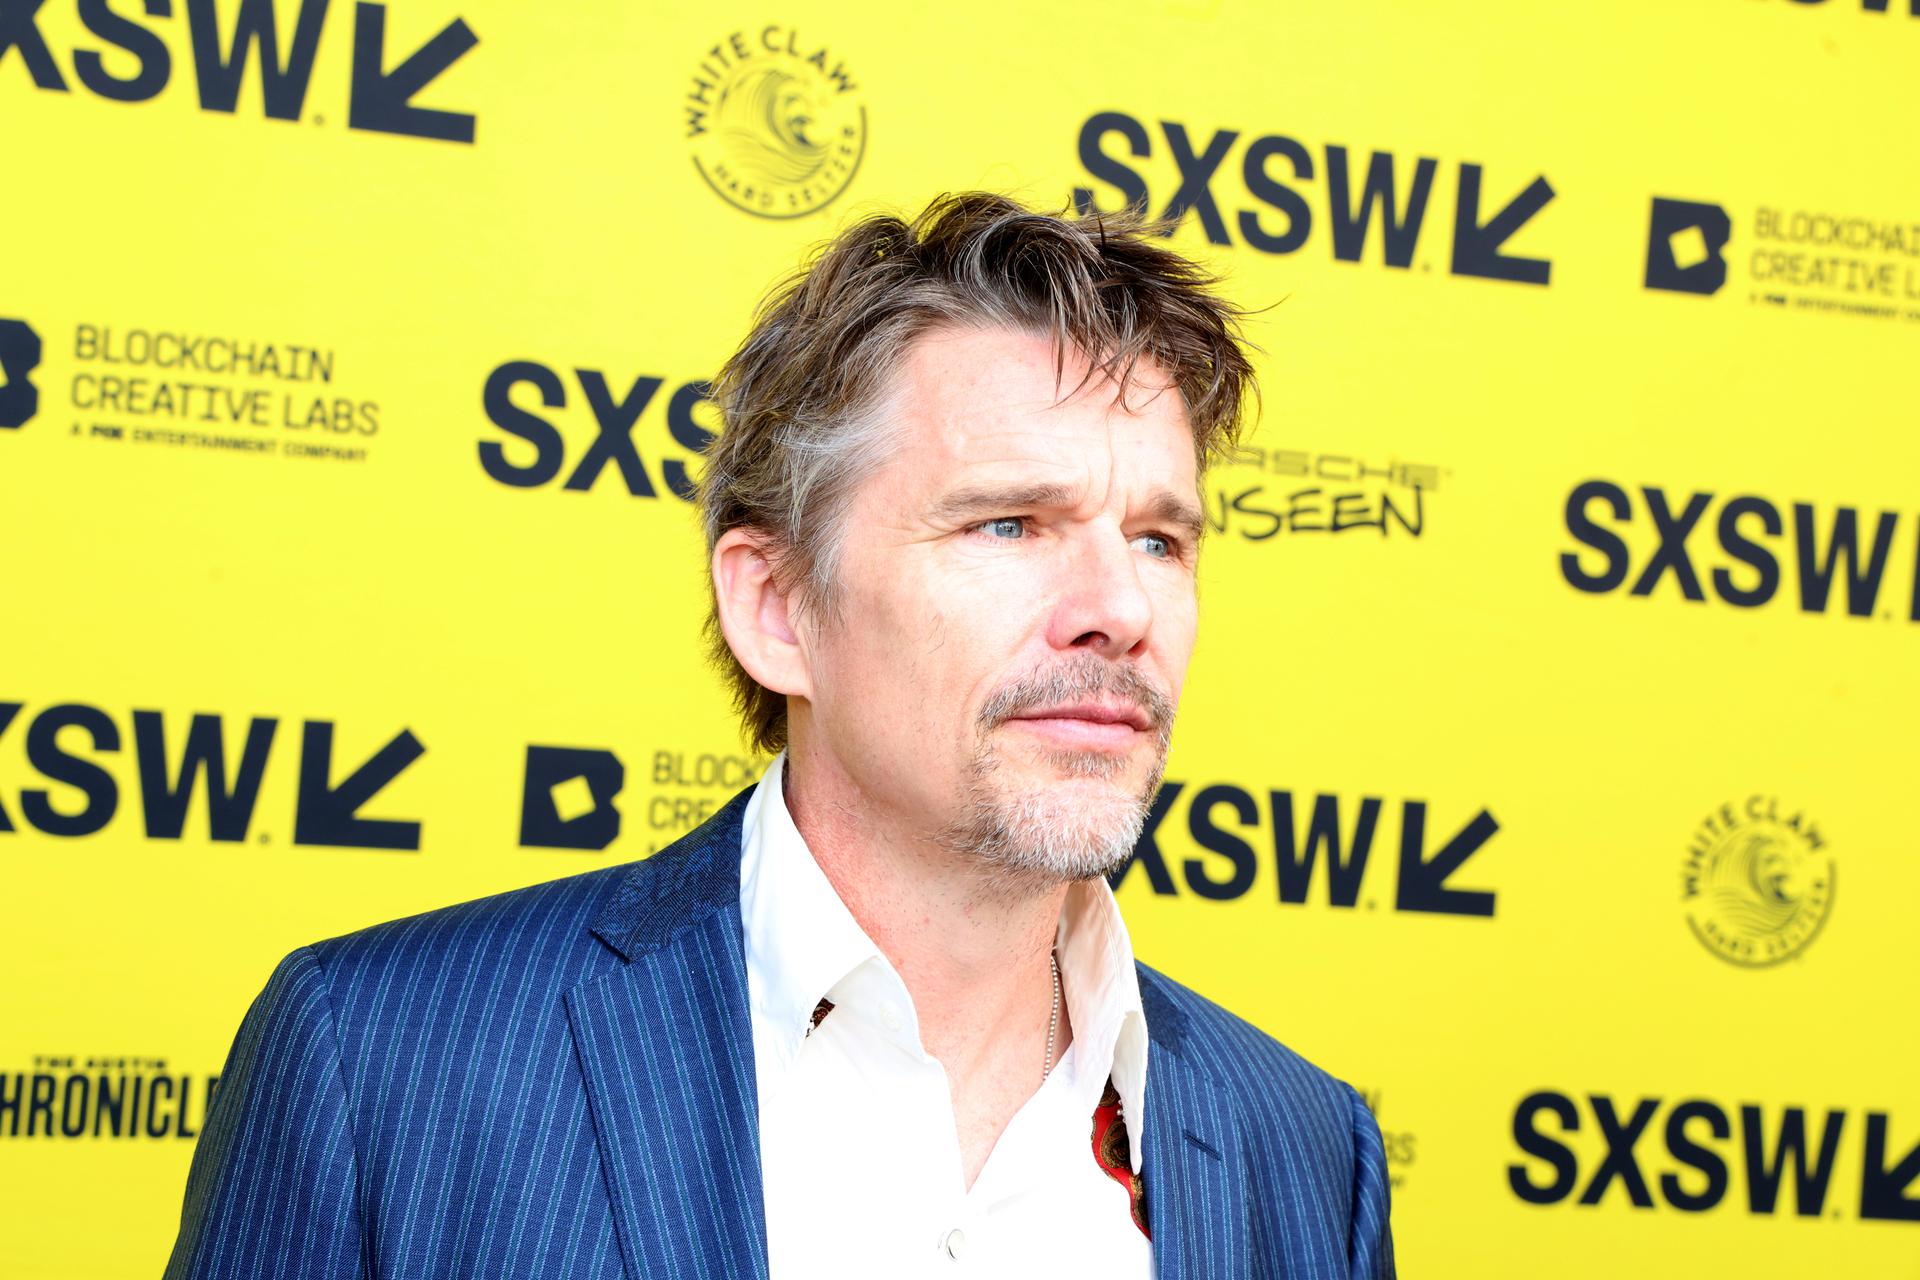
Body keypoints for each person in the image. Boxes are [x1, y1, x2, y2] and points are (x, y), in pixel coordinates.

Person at [164, 193, 1395, 1279]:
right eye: (1011, 524)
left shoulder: (1303, 1150)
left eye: (1158, 540)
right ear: (777, 607)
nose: (1120, 611)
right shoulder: (388, 1063)